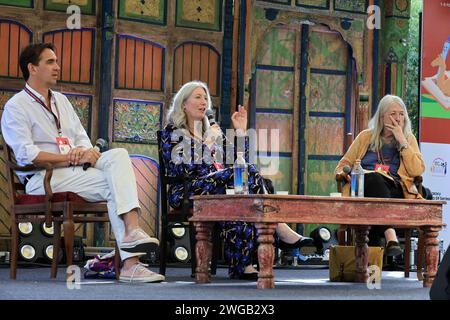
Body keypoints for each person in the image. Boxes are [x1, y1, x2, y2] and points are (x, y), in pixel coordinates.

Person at [1, 43, 164, 283]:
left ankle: (131, 238)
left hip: (76, 172)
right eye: (50, 62)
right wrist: (69, 157)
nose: (57, 67)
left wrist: (83, 153)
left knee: (118, 155)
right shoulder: (16, 106)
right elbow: (28, 155)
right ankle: (130, 261)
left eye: (57, 61)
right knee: (114, 185)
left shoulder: (61, 101)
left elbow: (83, 141)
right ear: (32, 68)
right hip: (42, 179)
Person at [160, 81, 313, 280]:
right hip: (188, 190)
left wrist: (240, 131)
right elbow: (183, 169)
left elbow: (239, 161)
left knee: (244, 195)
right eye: (197, 97)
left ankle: (245, 266)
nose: (203, 102)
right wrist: (207, 143)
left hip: (220, 188)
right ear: (183, 104)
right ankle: (279, 227)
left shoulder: (211, 131)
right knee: (244, 178)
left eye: (205, 97)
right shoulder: (171, 133)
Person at [335, 94, 425, 256]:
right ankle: (390, 238)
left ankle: (372, 259)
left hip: (396, 192)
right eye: (393, 114)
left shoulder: (408, 139)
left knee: (376, 185)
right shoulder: (365, 137)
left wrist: (402, 141)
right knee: (374, 178)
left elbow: (416, 171)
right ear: (382, 117)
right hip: (363, 189)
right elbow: (343, 165)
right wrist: (344, 174)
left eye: (401, 114)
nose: (398, 119)